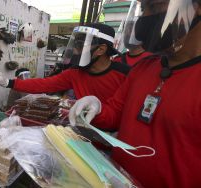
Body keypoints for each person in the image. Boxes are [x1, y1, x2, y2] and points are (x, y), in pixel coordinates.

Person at [69, 0, 201, 187]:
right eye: (143, 9)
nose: (145, 18)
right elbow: (115, 114)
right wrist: (97, 109)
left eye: (155, 6)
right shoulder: (143, 69)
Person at [0, 23, 130, 103]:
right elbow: (45, 84)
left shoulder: (125, 75)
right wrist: (8, 82)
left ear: (101, 49)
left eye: (80, 46)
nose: (75, 50)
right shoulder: (75, 73)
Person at [113, 0, 152, 66]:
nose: (127, 33)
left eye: (131, 28)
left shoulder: (151, 61)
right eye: (126, 28)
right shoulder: (117, 61)